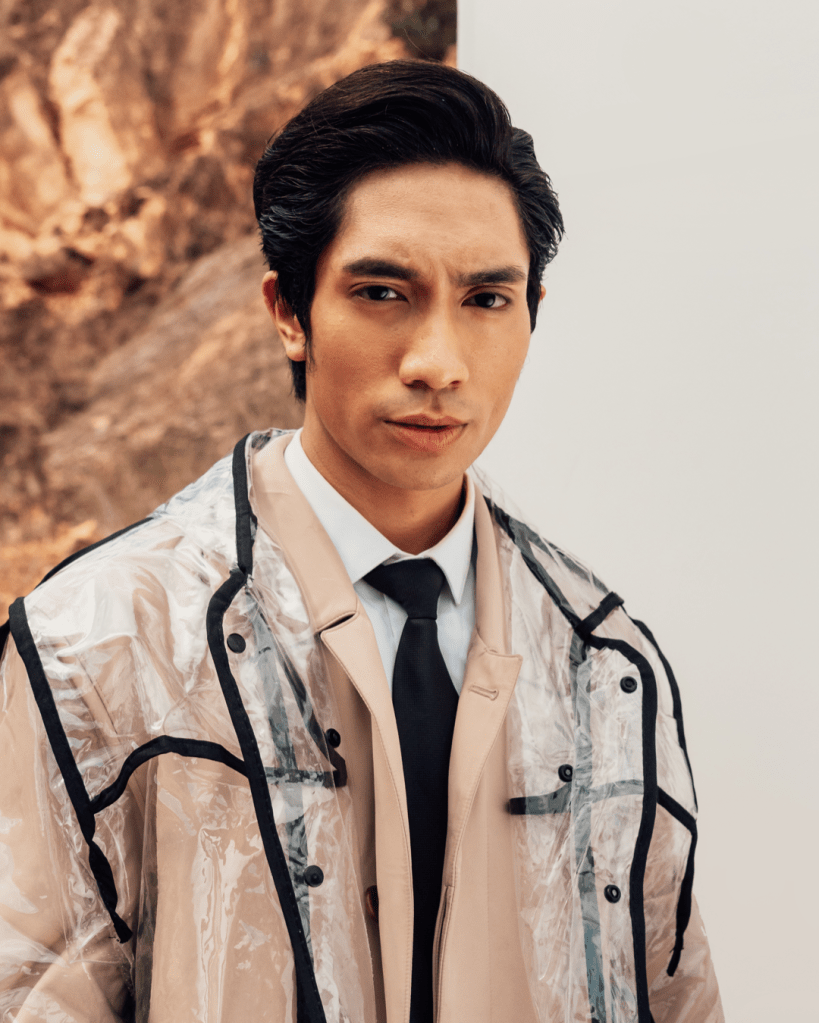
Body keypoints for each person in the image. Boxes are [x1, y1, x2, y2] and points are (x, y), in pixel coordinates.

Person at [0, 59, 723, 1023]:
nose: (437, 363)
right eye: (383, 292)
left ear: (532, 317)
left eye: (486, 299)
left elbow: (674, 994)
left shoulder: (604, 664)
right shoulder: (96, 646)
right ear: (288, 313)